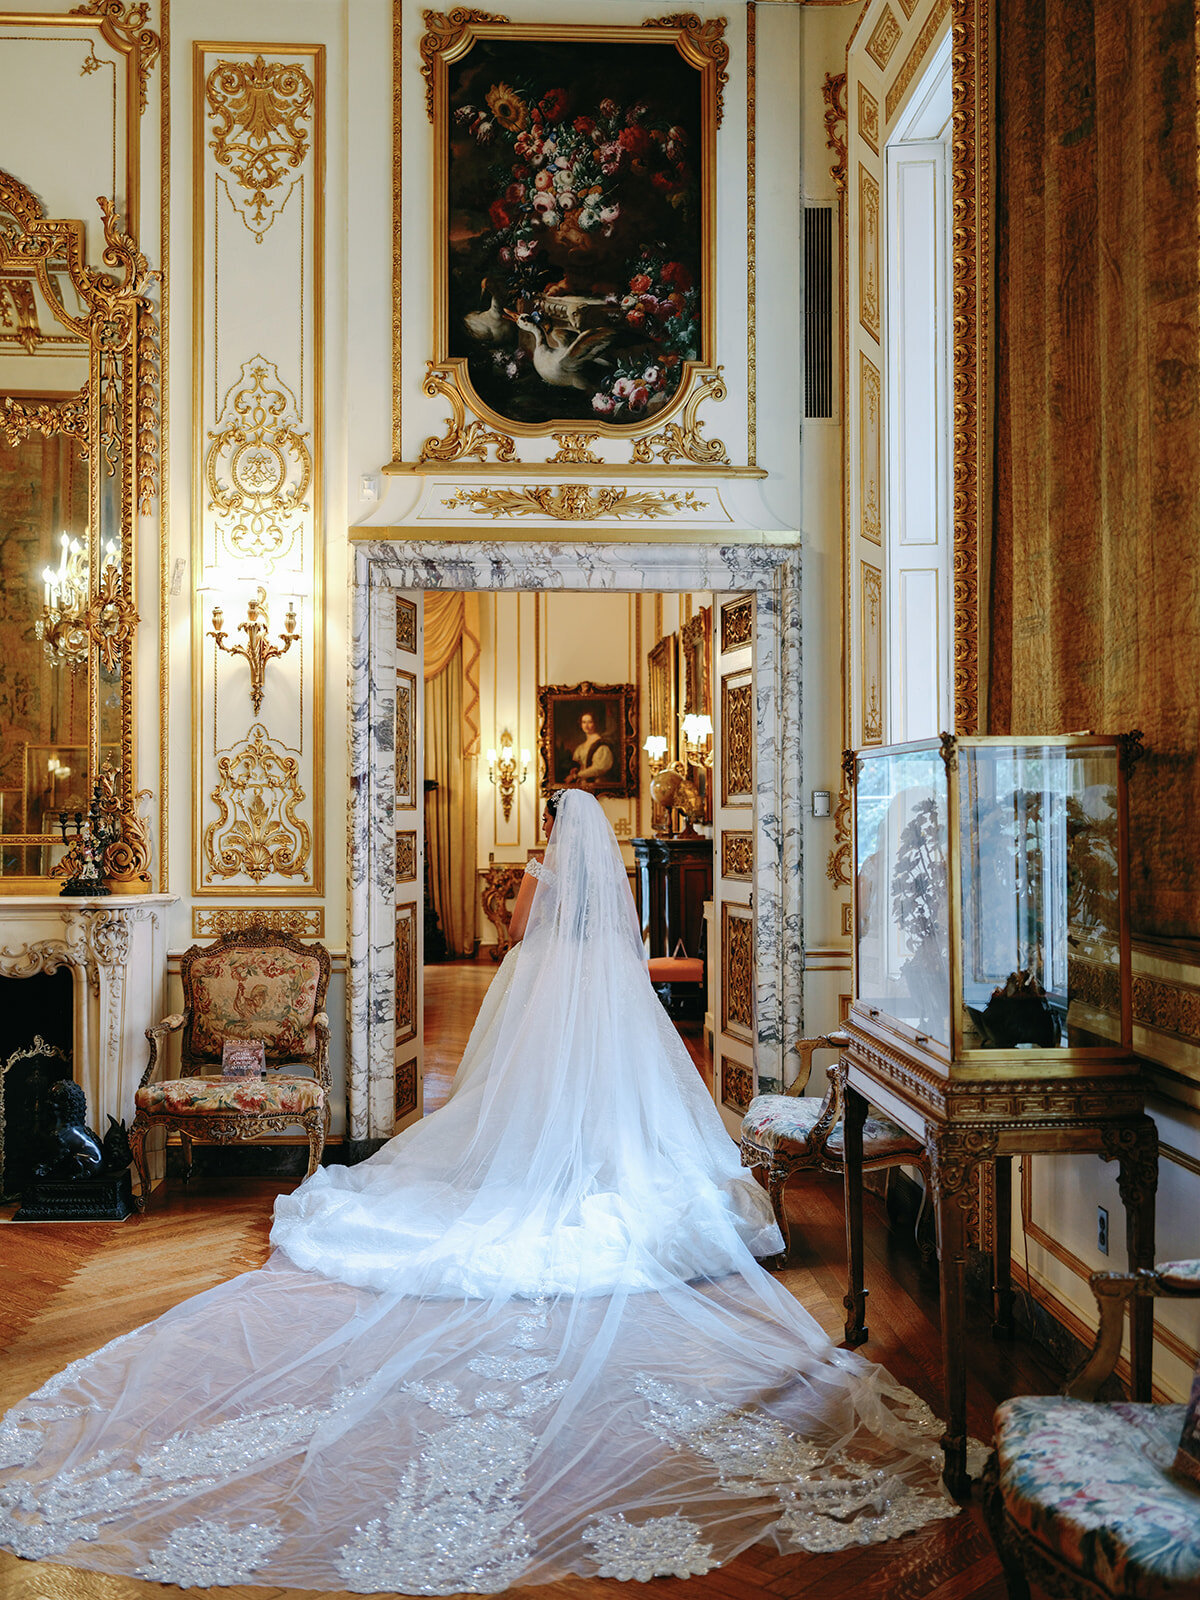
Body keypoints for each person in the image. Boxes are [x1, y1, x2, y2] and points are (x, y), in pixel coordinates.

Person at [0, 790, 955, 1594]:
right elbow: (616, 939)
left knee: (516, 1103)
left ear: (551, 829)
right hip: (601, 998)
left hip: (541, 994)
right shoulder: (610, 882)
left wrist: (513, 919)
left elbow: (516, 935)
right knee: (607, 1104)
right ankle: (586, 1172)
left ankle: (528, 1170)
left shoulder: (538, 875)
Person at [566, 709, 614, 787]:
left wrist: (577, 775)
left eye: (590, 722)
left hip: (597, 785)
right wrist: (575, 769)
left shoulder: (602, 745)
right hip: (582, 784)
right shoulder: (580, 747)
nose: (586, 725)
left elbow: (599, 768)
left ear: (595, 723)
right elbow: (577, 763)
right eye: (584, 722)